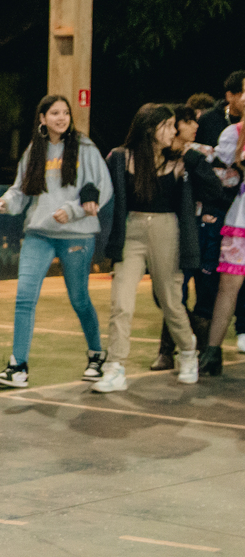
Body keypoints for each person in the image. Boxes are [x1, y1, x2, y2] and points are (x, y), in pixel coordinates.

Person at [0, 95, 112, 388]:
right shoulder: (35, 150)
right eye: (54, 113)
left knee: (79, 299)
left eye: (65, 112)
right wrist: (6, 202)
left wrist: (73, 211)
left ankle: (96, 355)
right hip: (39, 234)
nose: (62, 118)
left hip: (76, 235)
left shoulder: (85, 147)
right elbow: (20, 191)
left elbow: (103, 188)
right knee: (24, 298)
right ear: (42, 118)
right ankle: (18, 367)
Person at [96, 103, 220, 392]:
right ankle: (114, 366)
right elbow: (97, 184)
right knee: (121, 302)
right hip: (131, 232)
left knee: (170, 300)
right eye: (168, 126)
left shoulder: (181, 162)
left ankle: (187, 350)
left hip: (167, 231)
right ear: (150, 128)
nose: (174, 131)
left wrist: (193, 159)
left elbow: (214, 190)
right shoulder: (120, 157)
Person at [150, 104, 211, 369]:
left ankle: (187, 350)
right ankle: (190, 343)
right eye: (188, 121)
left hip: (198, 231)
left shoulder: (199, 155)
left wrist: (210, 210)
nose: (195, 125)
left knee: (196, 291)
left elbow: (216, 187)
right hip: (167, 232)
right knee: (167, 294)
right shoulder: (158, 157)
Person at [197, 112, 245, 375]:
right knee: (228, 285)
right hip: (241, 218)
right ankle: (212, 352)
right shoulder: (235, 132)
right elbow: (220, 169)